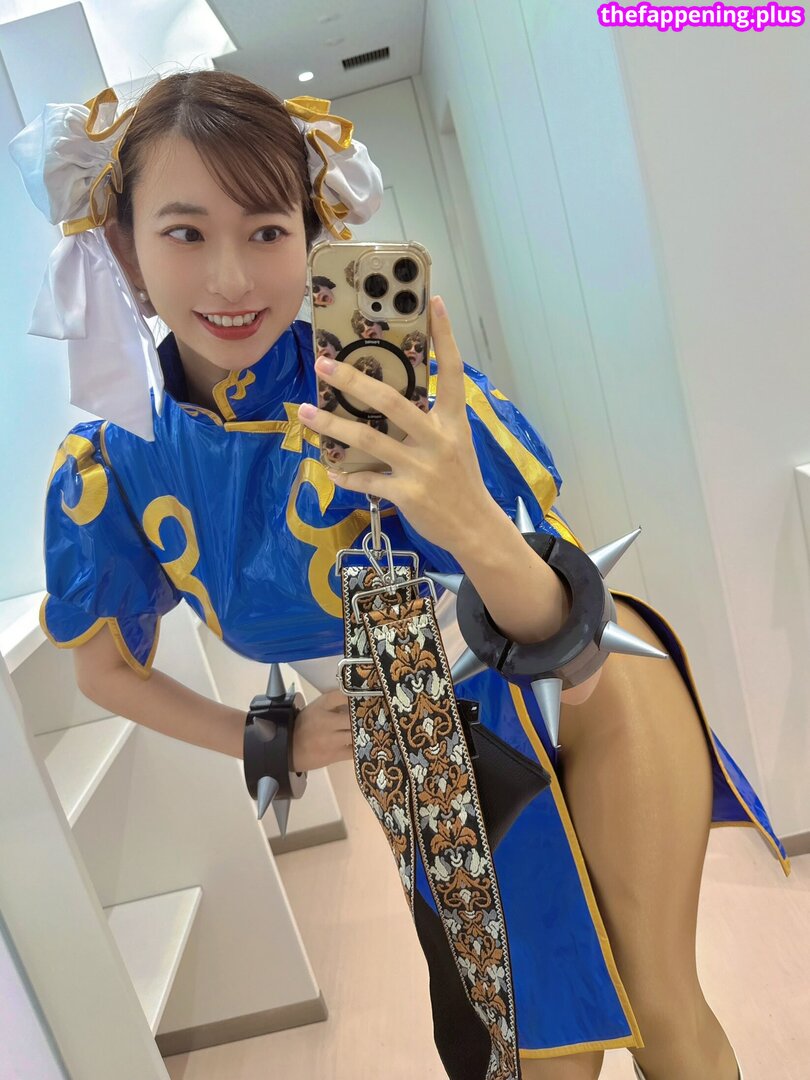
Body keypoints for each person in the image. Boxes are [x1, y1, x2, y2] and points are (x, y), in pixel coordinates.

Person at [10, 71, 789, 1080]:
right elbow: (104, 672)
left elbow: (572, 651)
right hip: (418, 752)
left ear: (311, 232)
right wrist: (269, 738)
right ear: (123, 248)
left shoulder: (395, 390)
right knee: (536, 1052)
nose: (232, 278)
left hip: (582, 699)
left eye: (266, 229)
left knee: (663, 1009)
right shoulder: (113, 465)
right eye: (186, 233)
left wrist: (463, 514)